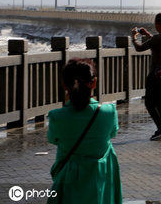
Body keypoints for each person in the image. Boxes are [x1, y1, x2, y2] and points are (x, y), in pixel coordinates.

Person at [48, 58, 122, 203]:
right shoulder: (109, 112)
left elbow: (52, 139)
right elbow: (112, 133)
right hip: (100, 180)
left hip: (69, 179)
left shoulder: (56, 116)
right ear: (94, 82)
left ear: (64, 84)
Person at [132, 13, 161, 141]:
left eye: (155, 23)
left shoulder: (160, 38)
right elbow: (157, 42)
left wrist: (134, 37)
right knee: (159, 103)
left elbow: (139, 48)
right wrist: (148, 35)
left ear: (158, 24)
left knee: (149, 103)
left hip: (156, 75)